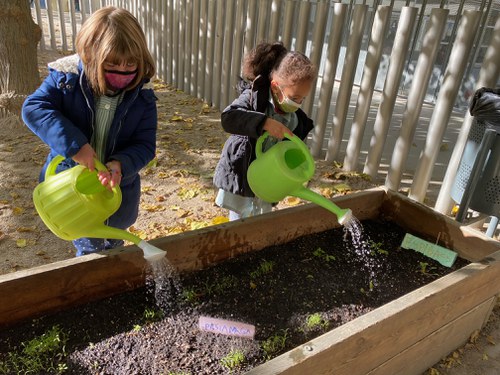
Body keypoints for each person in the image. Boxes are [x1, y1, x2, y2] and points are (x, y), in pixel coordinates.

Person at [22, 6, 157, 256]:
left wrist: (121, 164)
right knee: (90, 253)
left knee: (114, 244)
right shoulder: (66, 81)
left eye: (130, 64)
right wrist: (76, 147)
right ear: (89, 57)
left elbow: (145, 145)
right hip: (74, 188)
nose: (124, 71)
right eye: (112, 65)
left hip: (118, 191)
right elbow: (34, 108)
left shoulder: (143, 97)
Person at [213, 41, 317, 221]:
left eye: (302, 99)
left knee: (262, 220)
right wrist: (264, 123)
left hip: (269, 178)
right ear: (276, 87)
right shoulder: (253, 98)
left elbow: (294, 151)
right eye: (294, 97)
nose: (298, 103)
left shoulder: (297, 120)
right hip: (243, 173)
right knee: (239, 220)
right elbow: (228, 118)